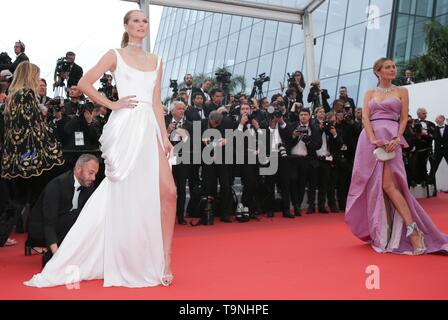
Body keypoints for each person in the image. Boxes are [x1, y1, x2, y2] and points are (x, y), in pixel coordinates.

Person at [24, 9, 176, 288]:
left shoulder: (156, 60)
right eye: (136, 21)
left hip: (150, 127)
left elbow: (155, 102)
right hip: (127, 125)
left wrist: (165, 136)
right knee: (126, 192)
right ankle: (122, 253)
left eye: (144, 21)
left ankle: (165, 259)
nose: (141, 25)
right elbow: (83, 83)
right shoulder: (114, 54)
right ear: (127, 26)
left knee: (169, 191)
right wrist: (112, 104)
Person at [345, 57, 448, 255]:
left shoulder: (402, 91)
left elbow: (403, 119)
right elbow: (365, 117)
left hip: (392, 138)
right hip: (369, 140)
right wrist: (374, 139)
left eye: (393, 67)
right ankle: (385, 233)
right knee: (376, 187)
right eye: (388, 67)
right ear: (378, 71)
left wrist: (397, 138)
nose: (393, 69)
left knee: (389, 185)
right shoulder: (369, 93)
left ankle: (414, 232)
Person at [1, 62, 64, 218]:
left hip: (14, 156)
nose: (38, 80)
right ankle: (34, 231)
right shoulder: (27, 94)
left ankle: (18, 228)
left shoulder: (12, 96)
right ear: (30, 76)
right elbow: (33, 125)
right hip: (31, 157)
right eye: (36, 76)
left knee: (20, 198)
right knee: (35, 197)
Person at [26, 154, 99, 267]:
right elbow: (48, 223)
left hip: (63, 223)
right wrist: (56, 257)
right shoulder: (56, 185)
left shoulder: (89, 185)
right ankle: (52, 257)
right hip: (41, 228)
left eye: (95, 174)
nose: (93, 178)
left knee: (89, 215)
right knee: (75, 216)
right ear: (78, 169)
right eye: (90, 173)